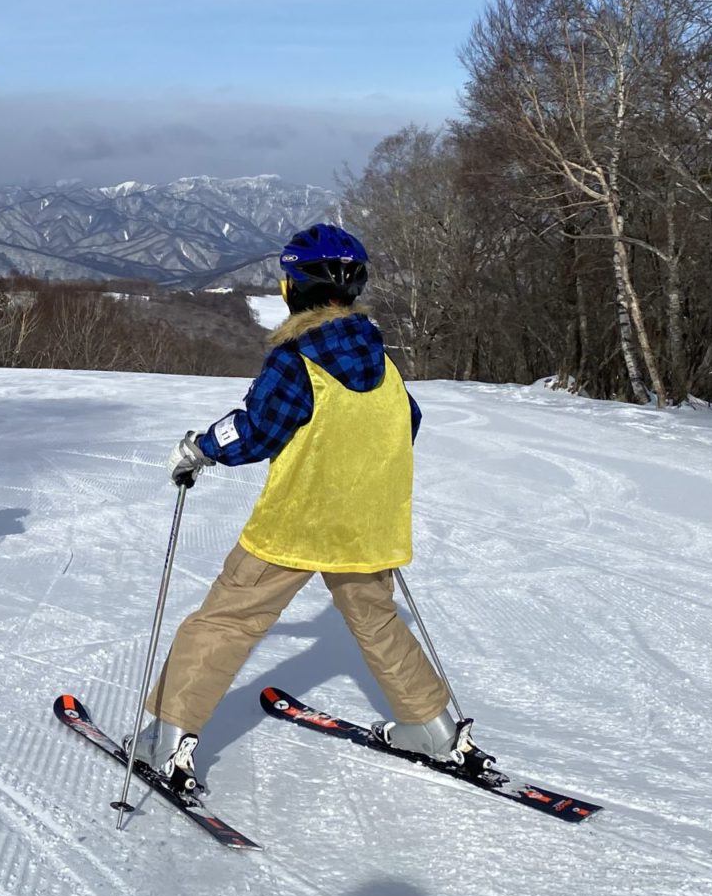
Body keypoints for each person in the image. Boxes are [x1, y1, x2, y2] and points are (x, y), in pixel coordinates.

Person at [132, 223, 476, 795]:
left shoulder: (297, 358)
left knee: (226, 619)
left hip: (297, 523)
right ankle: (434, 731)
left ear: (297, 287)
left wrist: (199, 449)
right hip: (367, 524)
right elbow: (406, 422)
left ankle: (167, 741)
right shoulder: (382, 362)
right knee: (378, 620)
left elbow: (256, 429)